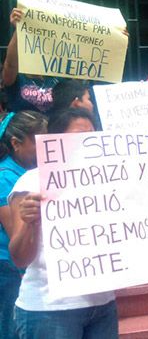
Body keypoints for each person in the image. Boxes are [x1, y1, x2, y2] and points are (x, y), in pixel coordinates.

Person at [8, 108, 118, 339]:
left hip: (103, 304)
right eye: (79, 135)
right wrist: (29, 223)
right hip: (50, 309)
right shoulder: (31, 182)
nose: (87, 142)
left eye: (92, 135)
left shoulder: (109, 181)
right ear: (55, 140)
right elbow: (19, 258)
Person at [0, 110, 47, 339]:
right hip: (11, 270)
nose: (44, 146)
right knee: (11, 327)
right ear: (16, 143)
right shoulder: (4, 178)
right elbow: (14, 233)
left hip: (25, 266)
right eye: (38, 141)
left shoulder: (33, 172)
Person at [2, 8, 64, 113]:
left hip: (53, 128)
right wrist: (20, 29)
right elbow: (10, 64)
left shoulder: (58, 75)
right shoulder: (17, 76)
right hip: (23, 128)